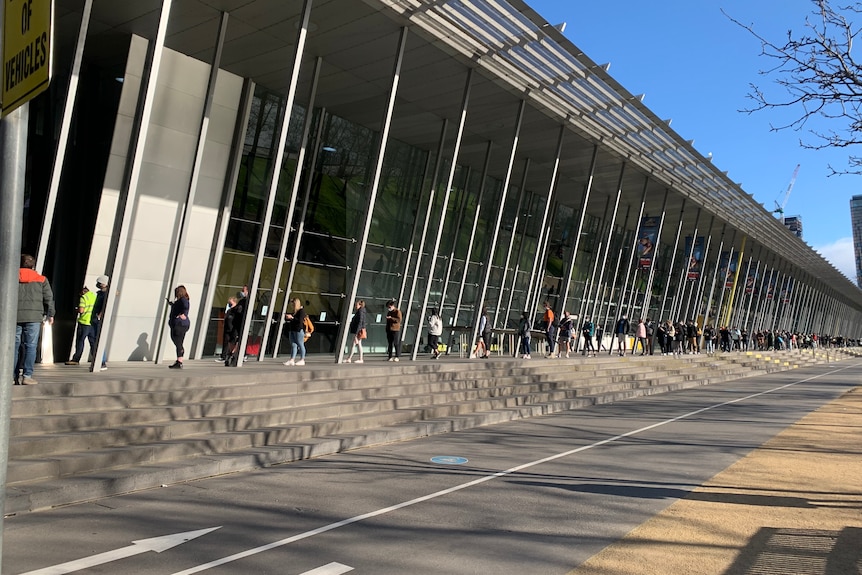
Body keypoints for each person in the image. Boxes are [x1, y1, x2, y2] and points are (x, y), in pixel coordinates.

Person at [15, 254, 55, 385]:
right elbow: (49, 298)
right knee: (31, 346)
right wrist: (50, 314)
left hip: (15, 316)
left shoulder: (12, 277)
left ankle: (11, 375)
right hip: (34, 317)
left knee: (14, 346)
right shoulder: (41, 279)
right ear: (33, 265)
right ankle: (27, 376)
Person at [65, 286, 96, 365]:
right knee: (93, 342)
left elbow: (81, 310)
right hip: (92, 323)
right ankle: (96, 359)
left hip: (84, 322)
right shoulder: (94, 296)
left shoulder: (84, 297)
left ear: (82, 291)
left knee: (80, 341)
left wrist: (76, 309)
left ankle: (76, 359)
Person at [167, 285, 191, 369]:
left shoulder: (183, 300)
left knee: (178, 341)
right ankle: (179, 359)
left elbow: (185, 307)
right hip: (179, 324)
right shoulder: (180, 301)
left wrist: (183, 314)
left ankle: (179, 360)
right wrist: (172, 304)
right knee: (177, 341)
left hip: (180, 324)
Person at [91, 275, 110, 370]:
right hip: (95, 318)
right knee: (95, 340)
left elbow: (105, 306)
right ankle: (99, 360)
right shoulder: (101, 293)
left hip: (98, 320)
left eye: (99, 283)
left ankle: (102, 361)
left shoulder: (105, 294)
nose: (98, 285)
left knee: (98, 340)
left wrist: (99, 315)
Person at [283, 298, 308, 366]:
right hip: (292, 329)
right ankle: (292, 359)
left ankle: (302, 359)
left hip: (298, 330)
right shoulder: (295, 312)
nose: (291, 305)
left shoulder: (301, 311)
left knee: (300, 344)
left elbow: (299, 321)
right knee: (293, 344)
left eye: (292, 304)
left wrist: (292, 318)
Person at [218, 296, 237, 362]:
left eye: (230, 303)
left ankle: (231, 355)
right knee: (225, 342)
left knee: (232, 343)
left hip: (233, 329)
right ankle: (223, 356)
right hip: (227, 328)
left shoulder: (236, 310)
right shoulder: (229, 310)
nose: (229, 304)